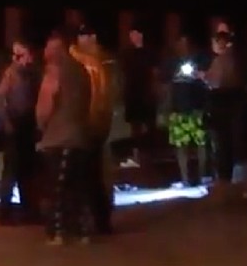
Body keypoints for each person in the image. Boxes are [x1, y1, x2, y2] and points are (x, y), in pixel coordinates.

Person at [36, 28, 92, 245]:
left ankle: (57, 232)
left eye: (49, 47)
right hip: (80, 137)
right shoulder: (82, 71)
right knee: (77, 186)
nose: (45, 51)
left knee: (55, 189)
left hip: (57, 138)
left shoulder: (54, 71)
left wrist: (41, 126)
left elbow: (45, 105)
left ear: (56, 48)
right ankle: (81, 230)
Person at [71, 25, 115, 236]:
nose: (82, 40)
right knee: (91, 174)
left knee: (93, 174)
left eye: (85, 36)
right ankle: (96, 219)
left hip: (92, 126)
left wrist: (95, 121)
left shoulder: (98, 62)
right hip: (88, 125)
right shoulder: (83, 60)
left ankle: (98, 220)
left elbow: (104, 96)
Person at [0, 38, 41, 225]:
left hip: (28, 124)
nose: (15, 58)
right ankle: (5, 212)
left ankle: (29, 209)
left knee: (27, 169)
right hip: (17, 123)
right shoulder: (12, 73)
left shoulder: (33, 73)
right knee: (12, 168)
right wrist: (7, 122)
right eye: (14, 55)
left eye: (20, 55)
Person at [163, 35, 209, 186]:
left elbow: (205, 84)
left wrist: (198, 74)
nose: (183, 46)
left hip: (196, 110)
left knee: (200, 143)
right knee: (180, 146)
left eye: (186, 43)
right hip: (178, 111)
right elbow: (166, 85)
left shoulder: (199, 61)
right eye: (180, 43)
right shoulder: (171, 63)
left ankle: (202, 176)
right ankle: (184, 178)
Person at [203, 29, 244, 186]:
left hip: (222, 105)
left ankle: (223, 179)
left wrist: (204, 78)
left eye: (215, 42)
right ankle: (226, 177)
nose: (213, 45)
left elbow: (217, 82)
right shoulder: (234, 59)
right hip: (231, 104)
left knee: (222, 144)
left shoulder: (222, 60)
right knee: (227, 143)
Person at [119, 24, 158, 168]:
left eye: (135, 34)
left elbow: (155, 72)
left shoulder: (149, 52)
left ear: (141, 35)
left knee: (149, 126)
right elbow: (123, 74)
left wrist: (154, 91)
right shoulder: (127, 53)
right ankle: (137, 157)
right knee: (135, 128)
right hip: (133, 94)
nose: (133, 37)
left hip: (147, 94)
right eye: (131, 35)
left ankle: (150, 157)